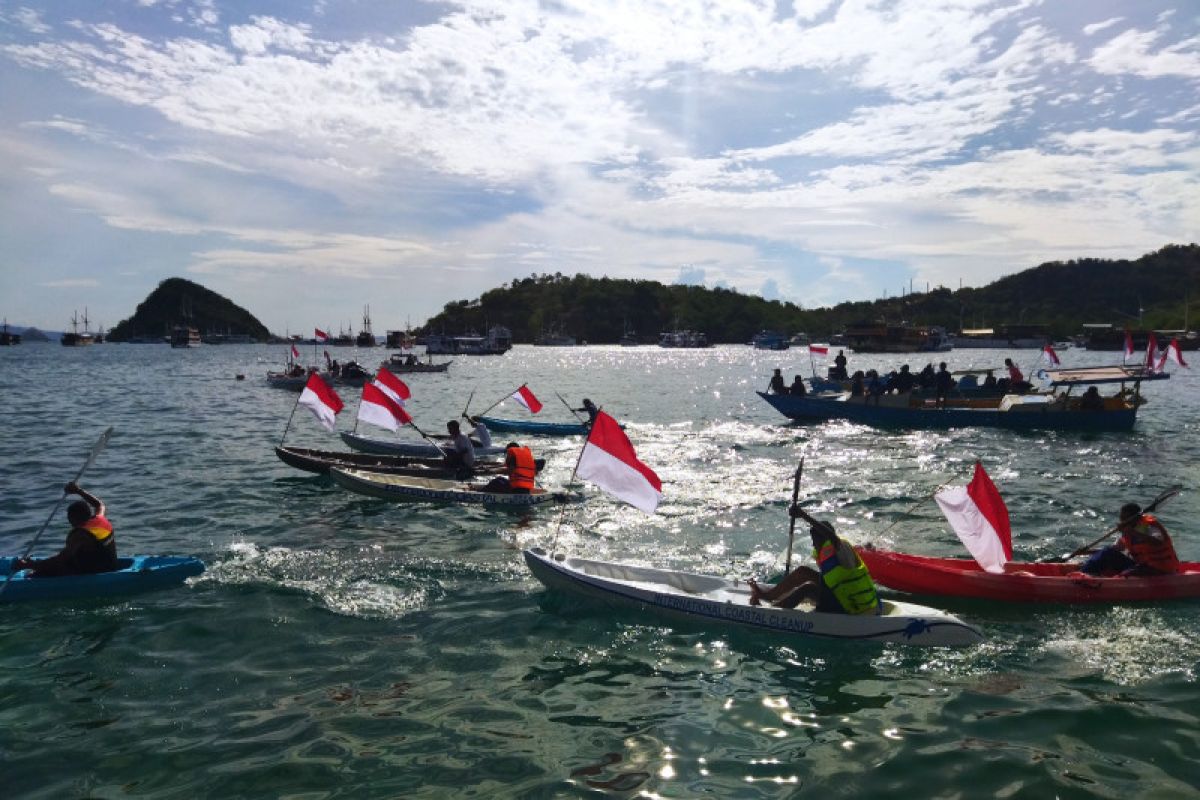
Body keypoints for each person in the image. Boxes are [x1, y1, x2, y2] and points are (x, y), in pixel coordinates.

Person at [748, 513, 879, 614]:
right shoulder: (826, 550)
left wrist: (802, 514)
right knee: (803, 571)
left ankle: (772, 612)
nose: (813, 544)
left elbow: (832, 537)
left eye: (815, 540)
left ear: (825, 537)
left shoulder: (840, 546)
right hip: (841, 596)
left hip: (852, 605)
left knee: (808, 588)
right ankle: (768, 595)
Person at [13, 483, 118, 577]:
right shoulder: (100, 519)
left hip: (96, 573)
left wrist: (29, 565)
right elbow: (99, 504)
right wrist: (78, 491)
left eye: (69, 518)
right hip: (111, 566)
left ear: (75, 518)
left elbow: (59, 560)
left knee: (35, 575)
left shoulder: (80, 535)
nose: (69, 521)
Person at [1079, 503, 1181, 576]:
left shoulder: (1150, 526)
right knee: (1108, 552)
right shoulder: (1127, 532)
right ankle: (1084, 573)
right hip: (1143, 566)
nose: (1122, 521)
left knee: (1128, 573)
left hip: (1161, 569)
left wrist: (1132, 533)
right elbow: (1115, 549)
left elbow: (1158, 541)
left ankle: (1090, 578)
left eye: (1125, 518)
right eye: (1121, 518)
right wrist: (1086, 552)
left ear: (1135, 518)